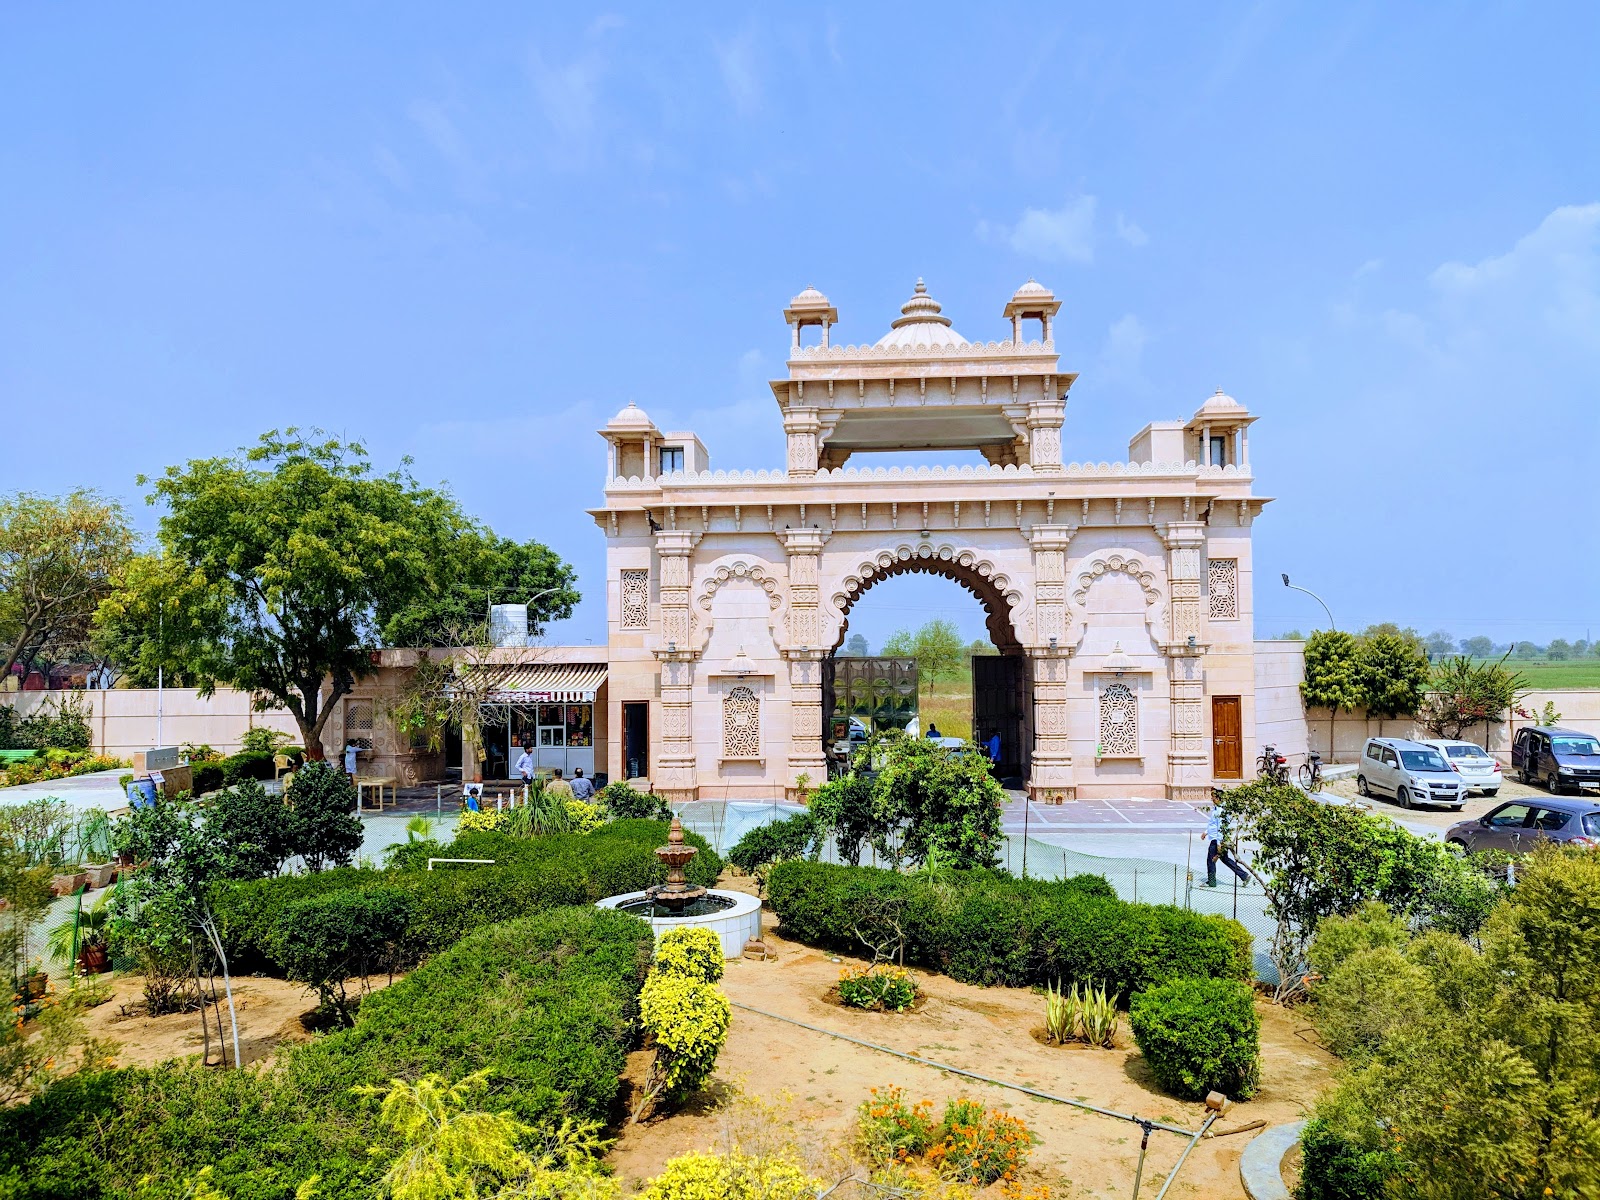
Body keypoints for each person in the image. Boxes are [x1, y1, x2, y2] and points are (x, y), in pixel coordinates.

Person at [1203, 805, 1249, 888]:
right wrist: (1206, 832)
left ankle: (1212, 882)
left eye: (1213, 796)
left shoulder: (1220, 811)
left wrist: (1218, 843)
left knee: (1211, 860)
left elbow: (1220, 827)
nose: (1211, 798)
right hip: (1217, 838)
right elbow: (1213, 824)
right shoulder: (1216, 809)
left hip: (1217, 839)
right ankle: (1244, 875)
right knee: (1225, 859)